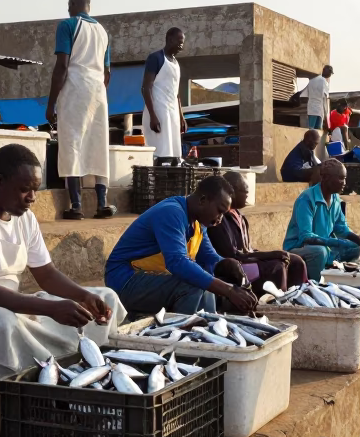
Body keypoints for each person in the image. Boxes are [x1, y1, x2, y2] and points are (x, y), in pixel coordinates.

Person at [0, 144, 125, 386]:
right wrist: (50, 309)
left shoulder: (25, 218)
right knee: (3, 322)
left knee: (105, 295)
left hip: (9, 304)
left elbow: (47, 274)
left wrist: (82, 296)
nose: (32, 198)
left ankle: (86, 369)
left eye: (35, 190)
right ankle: (39, 379)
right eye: (24, 190)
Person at [105, 175, 257, 315]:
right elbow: (177, 262)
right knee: (193, 285)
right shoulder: (171, 213)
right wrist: (229, 290)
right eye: (219, 211)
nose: (220, 219)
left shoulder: (198, 222)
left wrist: (227, 265)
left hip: (152, 278)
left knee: (210, 279)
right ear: (203, 200)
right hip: (125, 282)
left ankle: (207, 324)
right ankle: (183, 333)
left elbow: (209, 257)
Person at [46, 0, 114, 221]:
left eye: (68, 4)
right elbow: (107, 74)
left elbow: (62, 66)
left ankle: (76, 205)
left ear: (74, 3)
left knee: (71, 142)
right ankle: (102, 203)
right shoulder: (103, 32)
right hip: (98, 92)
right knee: (98, 143)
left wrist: (50, 103)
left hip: (76, 88)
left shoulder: (67, 25)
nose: (67, 8)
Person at [207, 171, 308, 295]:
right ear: (232, 191)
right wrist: (270, 255)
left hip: (246, 259)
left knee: (296, 261)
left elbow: (248, 250)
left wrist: (272, 254)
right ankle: (275, 302)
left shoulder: (240, 217)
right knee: (276, 266)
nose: (247, 196)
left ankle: (296, 295)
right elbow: (233, 256)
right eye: (245, 192)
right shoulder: (220, 219)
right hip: (234, 266)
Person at [283, 159, 360, 280]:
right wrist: (338, 242)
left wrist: (358, 239)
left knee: (356, 247)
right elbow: (306, 237)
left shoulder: (335, 199)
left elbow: (341, 228)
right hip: (299, 249)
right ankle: (315, 284)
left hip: (324, 245)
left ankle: (334, 271)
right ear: (326, 178)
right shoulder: (306, 199)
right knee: (320, 252)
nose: (344, 182)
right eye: (340, 178)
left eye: (344, 178)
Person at [140, 28, 187, 160]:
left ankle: (171, 180)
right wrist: (152, 116)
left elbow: (176, 93)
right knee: (160, 155)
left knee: (174, 155)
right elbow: (145, 88)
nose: (181, 46)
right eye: (179, 42)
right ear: (170, 39)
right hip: (159, 113)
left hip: (173, 114)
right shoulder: (155, 58)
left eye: (182, 43)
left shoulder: (176, 63)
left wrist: (181, 117)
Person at [303, 65, 332, 130]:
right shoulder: (324, 81)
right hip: (319, 109)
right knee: (318, 130)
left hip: (311, 108)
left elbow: (306, 94)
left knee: (311, 128)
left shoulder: (312, 80)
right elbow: (325, 96)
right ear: (329, 73)